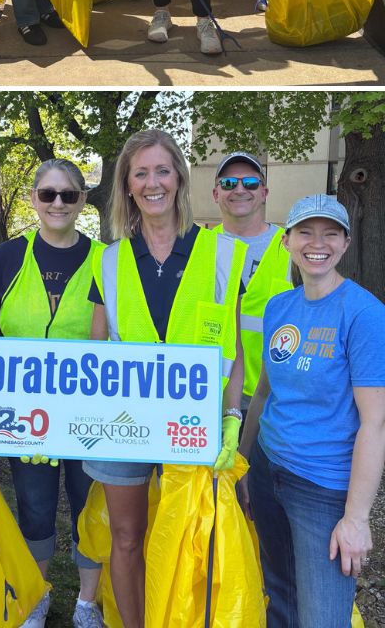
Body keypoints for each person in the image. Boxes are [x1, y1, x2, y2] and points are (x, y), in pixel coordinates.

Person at [86, 129, 248, 628]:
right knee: (128, 537)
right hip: (124, 421)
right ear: (127, 186)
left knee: (194, 534)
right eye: (141, 173)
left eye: (162, 170)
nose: (153, 182)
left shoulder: (222, 253)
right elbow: (95, 353)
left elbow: (235, 350)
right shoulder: (109, 260)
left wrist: (233, 415)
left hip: (194, 422)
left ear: (178, 176)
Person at [242, 194, 384, 628]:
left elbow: (375, 422)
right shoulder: (279, 308)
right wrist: (246, 466)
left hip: (322, 491)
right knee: (279, 596)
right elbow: (264, 393)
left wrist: (357, 519)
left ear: (345, 243)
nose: (316, 242)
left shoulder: (364, 314)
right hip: (268, 472)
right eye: (305, 231)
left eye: (330, 233)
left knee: (323, 617)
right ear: (287, 242)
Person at [0, 159, 106, 628]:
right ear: (33, 198)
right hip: (20, 412)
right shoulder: (8, 257)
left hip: (85, 413)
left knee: (87, 505)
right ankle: (37, 596)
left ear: (82, 202)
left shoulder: (104, 261)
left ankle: (86, 603)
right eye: (48, 194)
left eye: (69, 195)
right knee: (33, 507)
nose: (58, 203)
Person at [210, 151, 294, 397]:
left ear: (264, 192)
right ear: (216, 194)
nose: (239, 189)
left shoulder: (291, 247)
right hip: (213, 391)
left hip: (273, 396)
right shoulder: (199, 247)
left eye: (250, 183)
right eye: (228, 183)